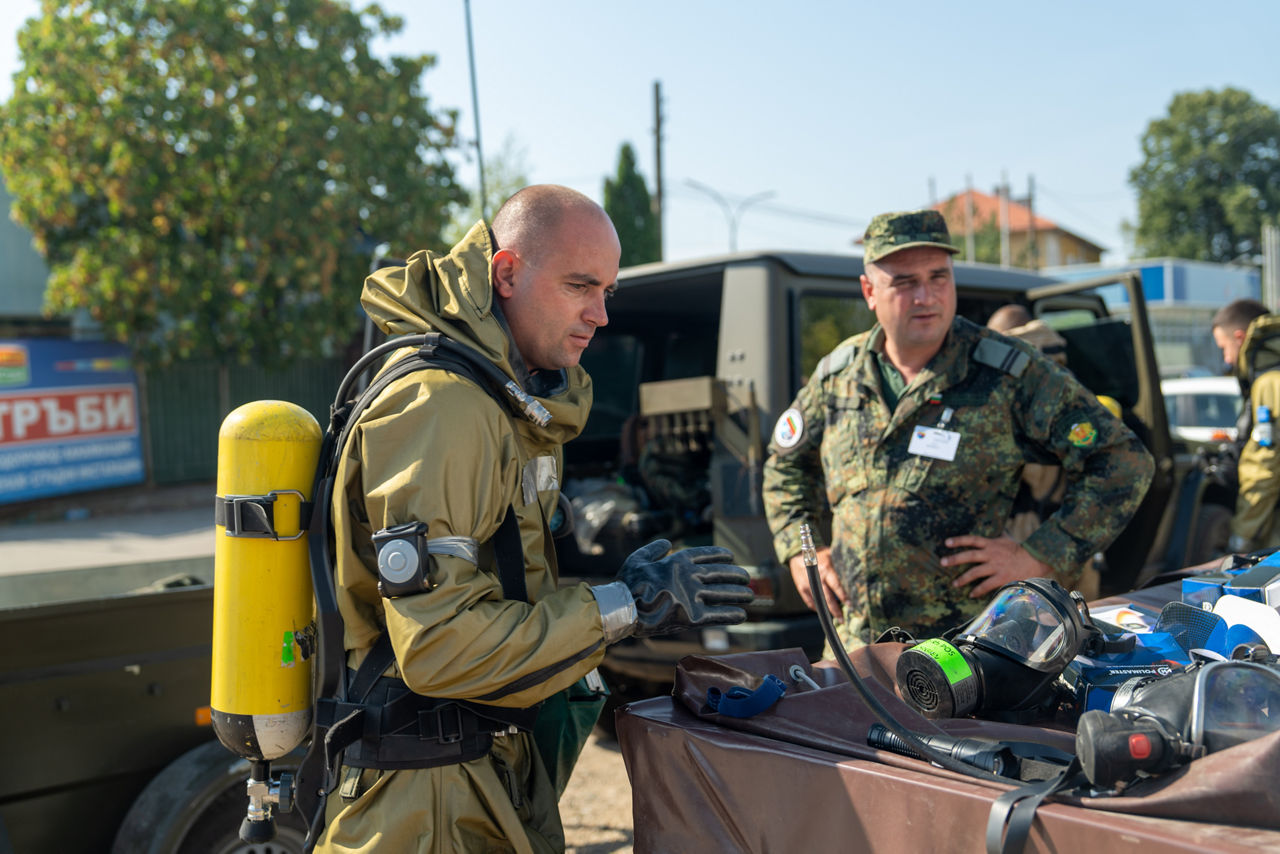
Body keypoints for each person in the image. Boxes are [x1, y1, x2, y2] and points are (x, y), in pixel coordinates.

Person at [315, 185, 753, 853]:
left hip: (468, 774)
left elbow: (499, 583)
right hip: (425, 805)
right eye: (581, 286)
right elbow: (439, 646)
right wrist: (620, 606)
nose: (600, 315)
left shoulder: (501, 400)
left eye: (607, 291)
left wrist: (618, 590)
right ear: (508, 273)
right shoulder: (445, 406)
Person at [761, 209, 1154, 648]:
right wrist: (802, 551)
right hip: (856, 648)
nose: (926, 296)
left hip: (967, 648)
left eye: (939, 277)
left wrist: (1039, 554)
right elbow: (785, 466)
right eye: (905, 282)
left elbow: (1122, 460)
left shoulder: (1006, 372)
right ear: (870, 291)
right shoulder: (838, 376)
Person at [1211, 298, 1278, 553]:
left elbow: (1263, 470)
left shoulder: (1269, 383)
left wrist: (1241, 538)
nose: (1226, 359)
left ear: (1240, 338)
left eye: (1224, 347)